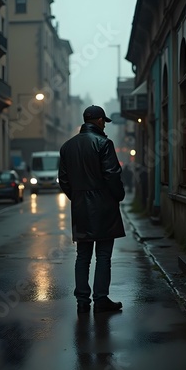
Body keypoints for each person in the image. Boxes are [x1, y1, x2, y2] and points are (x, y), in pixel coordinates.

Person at [59, 105, 126, 314]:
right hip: (104, 207)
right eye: (103, 121)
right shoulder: (104, 143)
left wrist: (77, 196)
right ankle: (101, 299)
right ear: (98, 121)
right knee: (103, 255)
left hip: (81, 208)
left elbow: (63, 180)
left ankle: (82, 300)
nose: (104, 124)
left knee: (83, 256)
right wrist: (117, 196)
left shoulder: (67, 147)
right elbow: (112, 174)